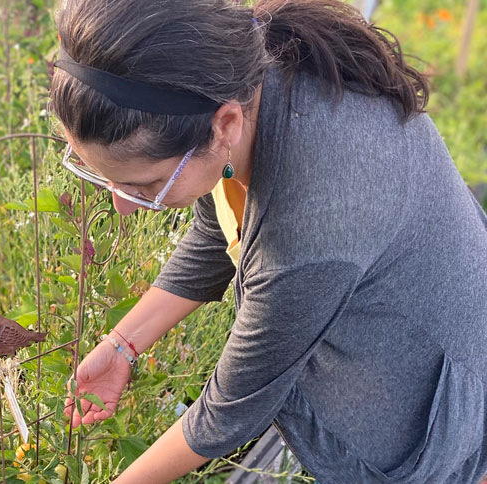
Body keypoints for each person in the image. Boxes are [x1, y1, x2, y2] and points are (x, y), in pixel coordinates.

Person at [49, 0, 487, 483]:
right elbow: (222, 225)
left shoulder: (317, 215)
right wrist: (121, 346)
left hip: (436, 400)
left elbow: (230, 410)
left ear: (226, 126)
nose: (124, 207)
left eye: (145, 186)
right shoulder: (243, 83)